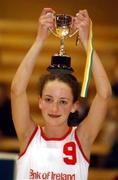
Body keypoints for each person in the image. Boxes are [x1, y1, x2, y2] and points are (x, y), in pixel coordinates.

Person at [11, 8, 112, 180]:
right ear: (40, 101)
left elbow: (104, 95)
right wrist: (39, 40)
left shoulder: (82, 139)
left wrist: (87, 42)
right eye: (49, 99)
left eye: (63, 101)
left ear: (75, 105)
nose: (55, 107)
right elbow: (16, 90)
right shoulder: (28, 136)